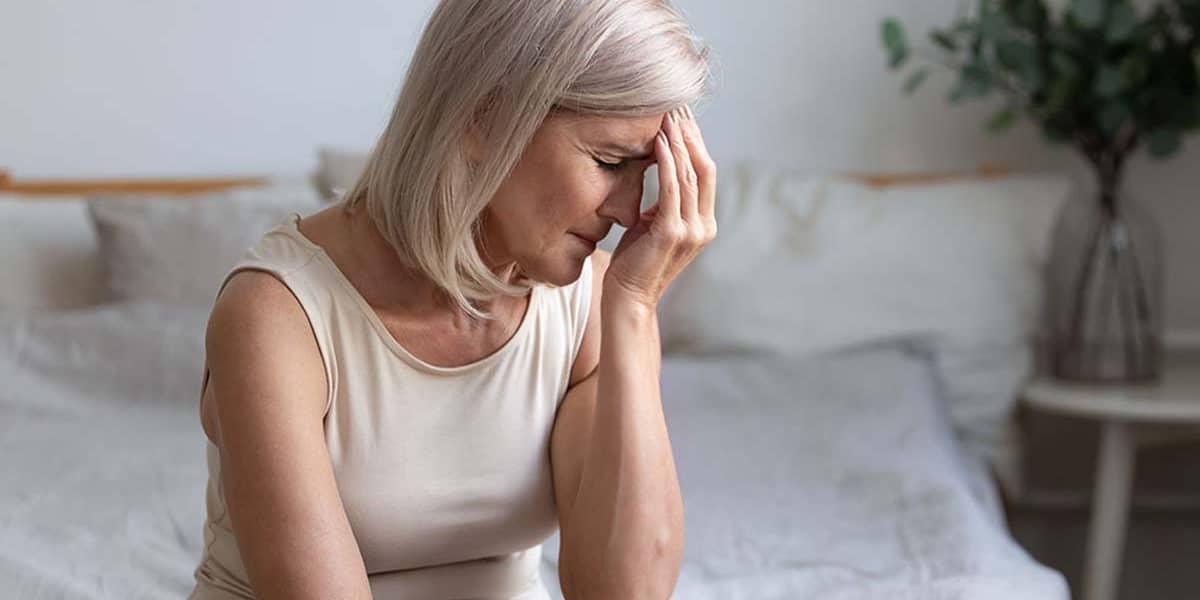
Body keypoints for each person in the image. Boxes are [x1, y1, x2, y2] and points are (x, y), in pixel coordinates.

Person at [188, 0, 714, 598]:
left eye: (644, 170)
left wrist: (636, 309)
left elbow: (626, 593)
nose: (626, 211)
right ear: (482, 118)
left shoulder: (591, 302)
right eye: (609, 161)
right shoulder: (277, 314)